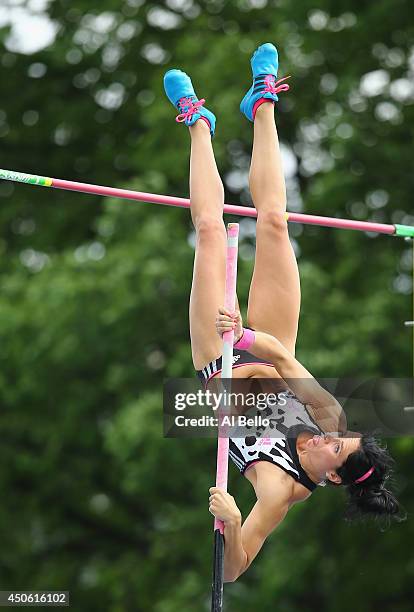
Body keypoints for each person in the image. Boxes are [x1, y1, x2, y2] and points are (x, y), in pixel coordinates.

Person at [163, 43, 403, 583]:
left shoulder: (278, 489)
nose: (328, 435)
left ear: (333, 479)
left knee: (208, 235)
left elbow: (231, 572)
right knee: (273, 223)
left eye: (332, 449)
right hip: (264, 343)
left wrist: (228, 523)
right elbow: (275, 355)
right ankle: (263, 102)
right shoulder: (331, 418)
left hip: (216, 370)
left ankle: (197, 123)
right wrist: (246, 335)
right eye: (339, 435)